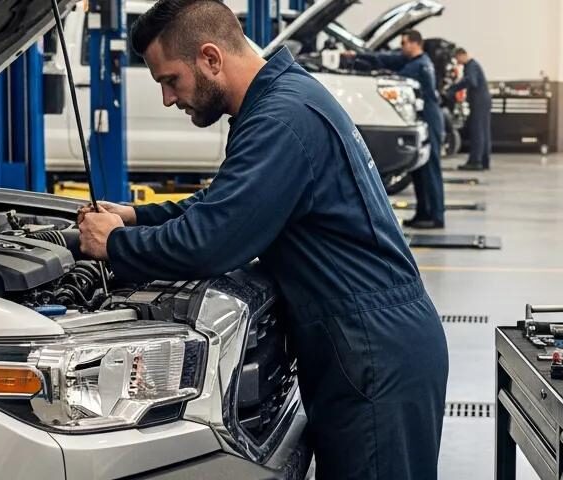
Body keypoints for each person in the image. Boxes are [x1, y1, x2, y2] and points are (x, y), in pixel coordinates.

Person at [75, 1, 449, 478]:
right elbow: (224, 204)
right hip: (364, 344)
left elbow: (212, 241)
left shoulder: (280, 120)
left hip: (373, 352)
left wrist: (115, 246)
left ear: (211, 58)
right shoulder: (281, 101)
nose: (169, 99)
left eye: (170, 80)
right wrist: (133, 216)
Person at [344, 30, 446, 229]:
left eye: (404, 43)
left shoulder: (419, 65)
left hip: (429, 120)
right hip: (424, 118)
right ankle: (423, 213)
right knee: (420, 171)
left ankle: (436, 215)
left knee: (430, 170)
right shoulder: (416, 61)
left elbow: (395, 75)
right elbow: (388, 59)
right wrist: (358, 56)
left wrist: (378, 71)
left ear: (415, 43)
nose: (401, 47)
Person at [448, 47, 491, 171]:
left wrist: (454, 88)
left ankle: (475, 161)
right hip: (483, 101)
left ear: (462, 55)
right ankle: (484, 161)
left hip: (479, 101)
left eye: (457, 58)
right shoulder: (474, 65)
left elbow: (472, 81)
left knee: (477, 131)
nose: (457, 62)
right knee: (483, 131)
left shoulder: (471, 66)